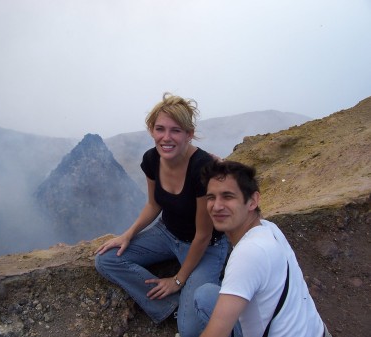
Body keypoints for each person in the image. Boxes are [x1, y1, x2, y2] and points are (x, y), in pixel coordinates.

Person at [95, 93, 229, 337]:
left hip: (206, 246)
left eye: (176, 131)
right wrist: (128, 234)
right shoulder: (151, 159)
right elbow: (154, 204)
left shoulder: (202, 169)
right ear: (151, 130)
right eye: (160, 129)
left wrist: (176, 280)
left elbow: (203, 234)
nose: (166, 138)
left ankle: (205, 300)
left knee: (189, 332)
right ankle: (170, 305)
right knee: (107, 259)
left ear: (189, 134)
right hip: (166, 233)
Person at [194, 160, 332, 337]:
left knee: (205, 297)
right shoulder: (269, 229)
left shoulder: (248, 253)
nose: (217, 206)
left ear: (252, 201)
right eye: (211, 197)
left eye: (228, 196)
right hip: (317, 331)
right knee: (206, 294)